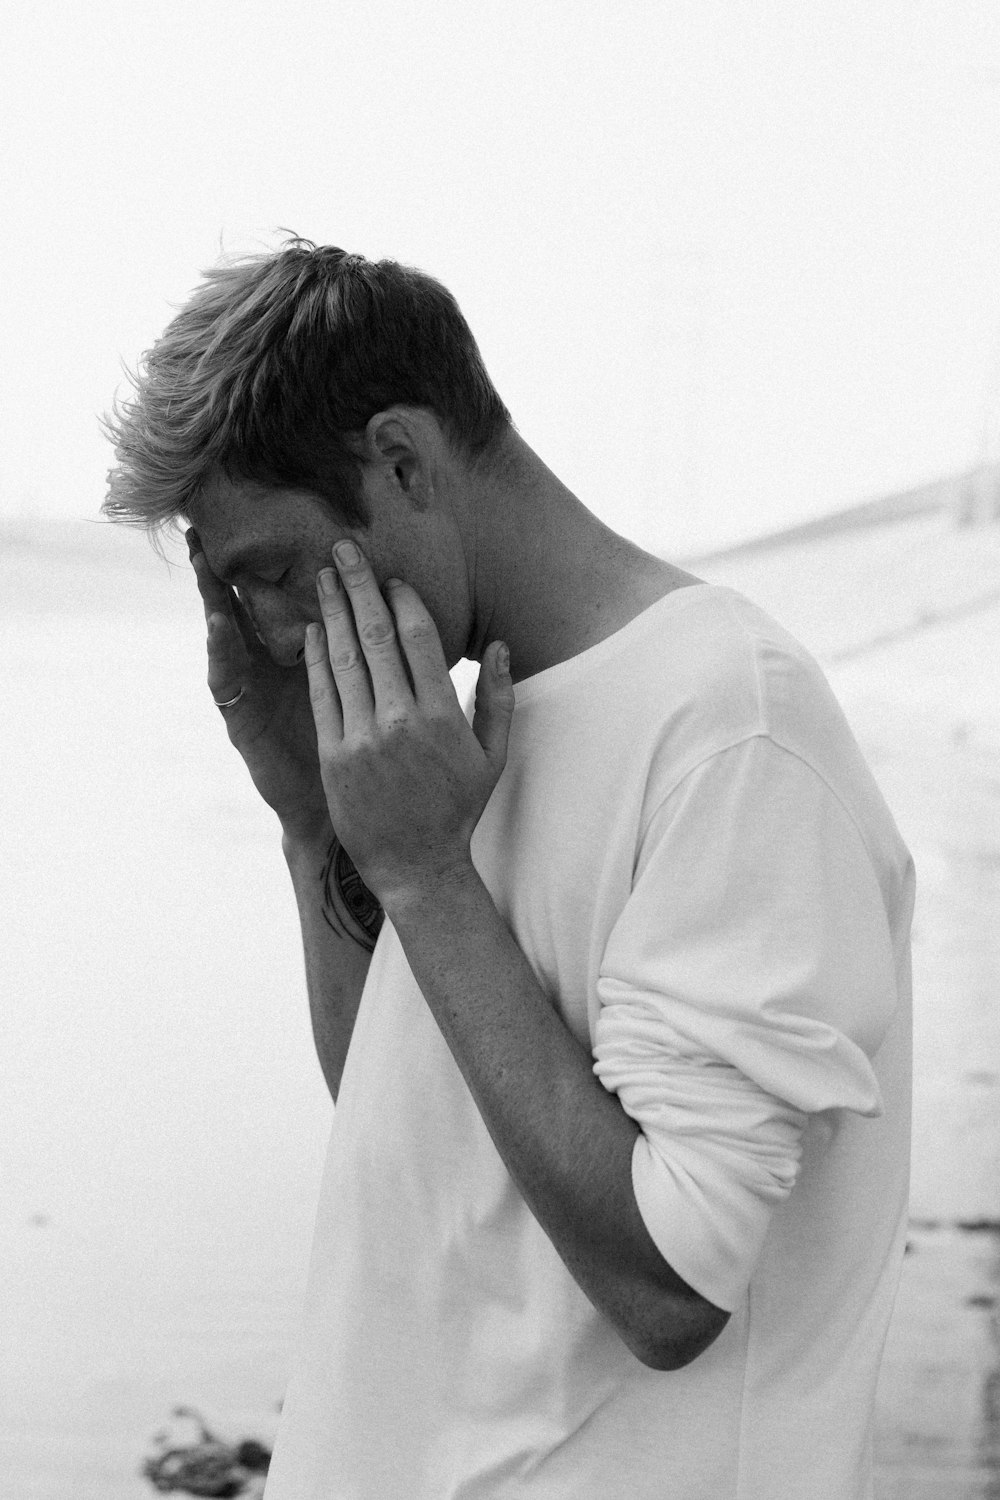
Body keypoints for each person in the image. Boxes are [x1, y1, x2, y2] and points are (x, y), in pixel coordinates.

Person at [103, 238, 914, 1500]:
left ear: (403, 462)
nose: (265, 631)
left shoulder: (727, 724)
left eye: (269, 570)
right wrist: (317, 827)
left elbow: (672, 1284)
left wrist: (427, 874)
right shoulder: (466, 718)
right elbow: (402, 1132)